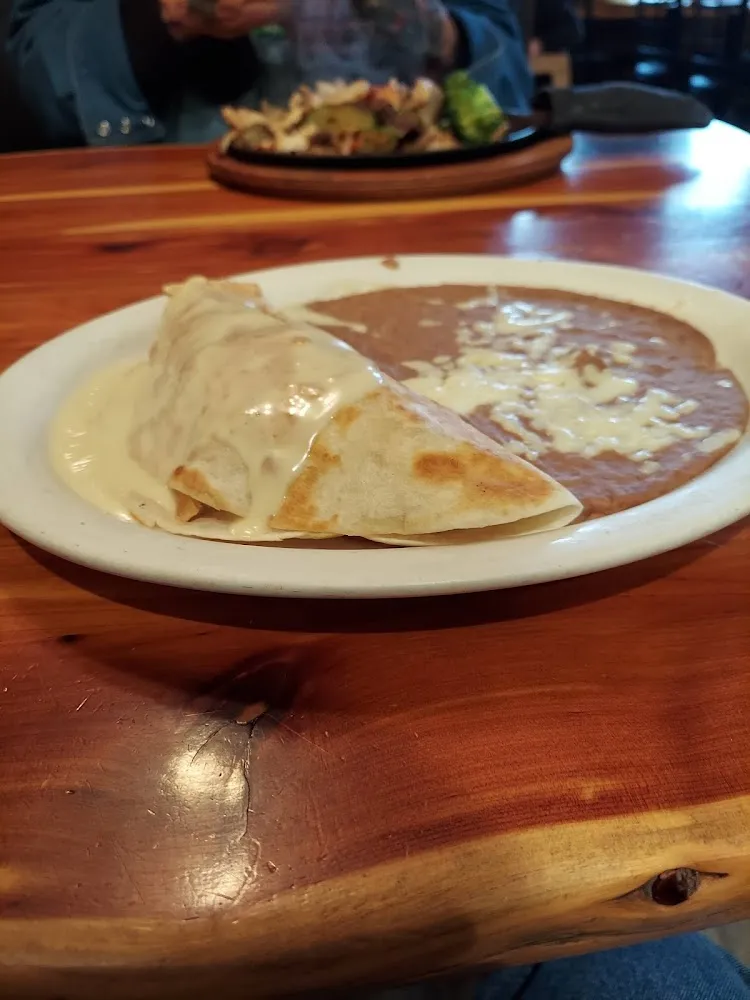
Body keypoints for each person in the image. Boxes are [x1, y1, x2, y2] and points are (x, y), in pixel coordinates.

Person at [6, 0, 533, 148]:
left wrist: (407, 17)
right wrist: (173, 13)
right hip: (177, 206)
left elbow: (506, 77)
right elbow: (35, 72)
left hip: (414, 194)